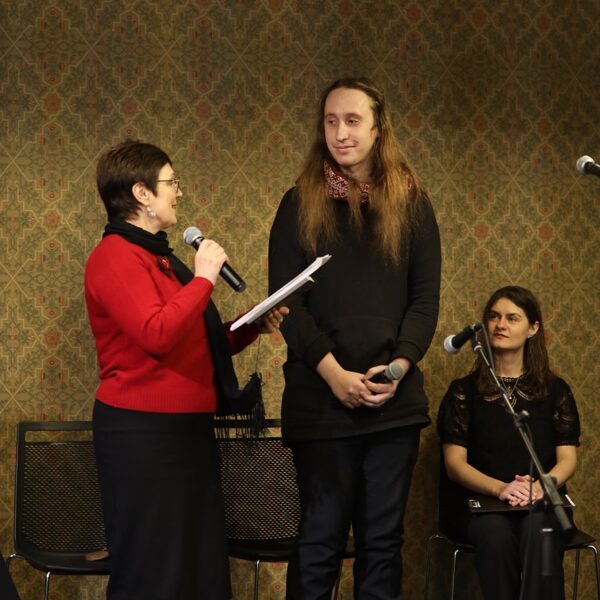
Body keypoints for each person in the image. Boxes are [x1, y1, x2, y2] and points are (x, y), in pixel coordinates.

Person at [85, 140, 287, 600]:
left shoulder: (160, 259)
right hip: (143, 436)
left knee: (196, 564)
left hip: (187, 431)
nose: (178, 192)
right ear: (142, 193)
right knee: (154, 567)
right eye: (171, 182)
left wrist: (252, 324)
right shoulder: (114, 256)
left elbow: (193, 340)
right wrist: (203, 279)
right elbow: (156, 333)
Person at [268, 77, 441, 599]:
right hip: (320, 403)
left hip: (393, 405)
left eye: (352, 120)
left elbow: (423, 304)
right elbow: (286, 305)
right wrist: (333, 374)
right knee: (319, 543)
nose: (340, 133)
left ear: (378, 127)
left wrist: (398, 369)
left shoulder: (413, 205)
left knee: (382, 545)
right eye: (330, 121)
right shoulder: (297, 204)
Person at [437, 285, 581, 600]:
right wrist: (501, 488)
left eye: (512, 318)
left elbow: (568, 459)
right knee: (496, 537)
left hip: (538, 500)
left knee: (540, 532)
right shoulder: (463, 391)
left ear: (533, 328)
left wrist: (542, 486)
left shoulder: (556, 390)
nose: (500, 325)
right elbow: (454, 465)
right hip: (480, 505)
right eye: (494, 317)